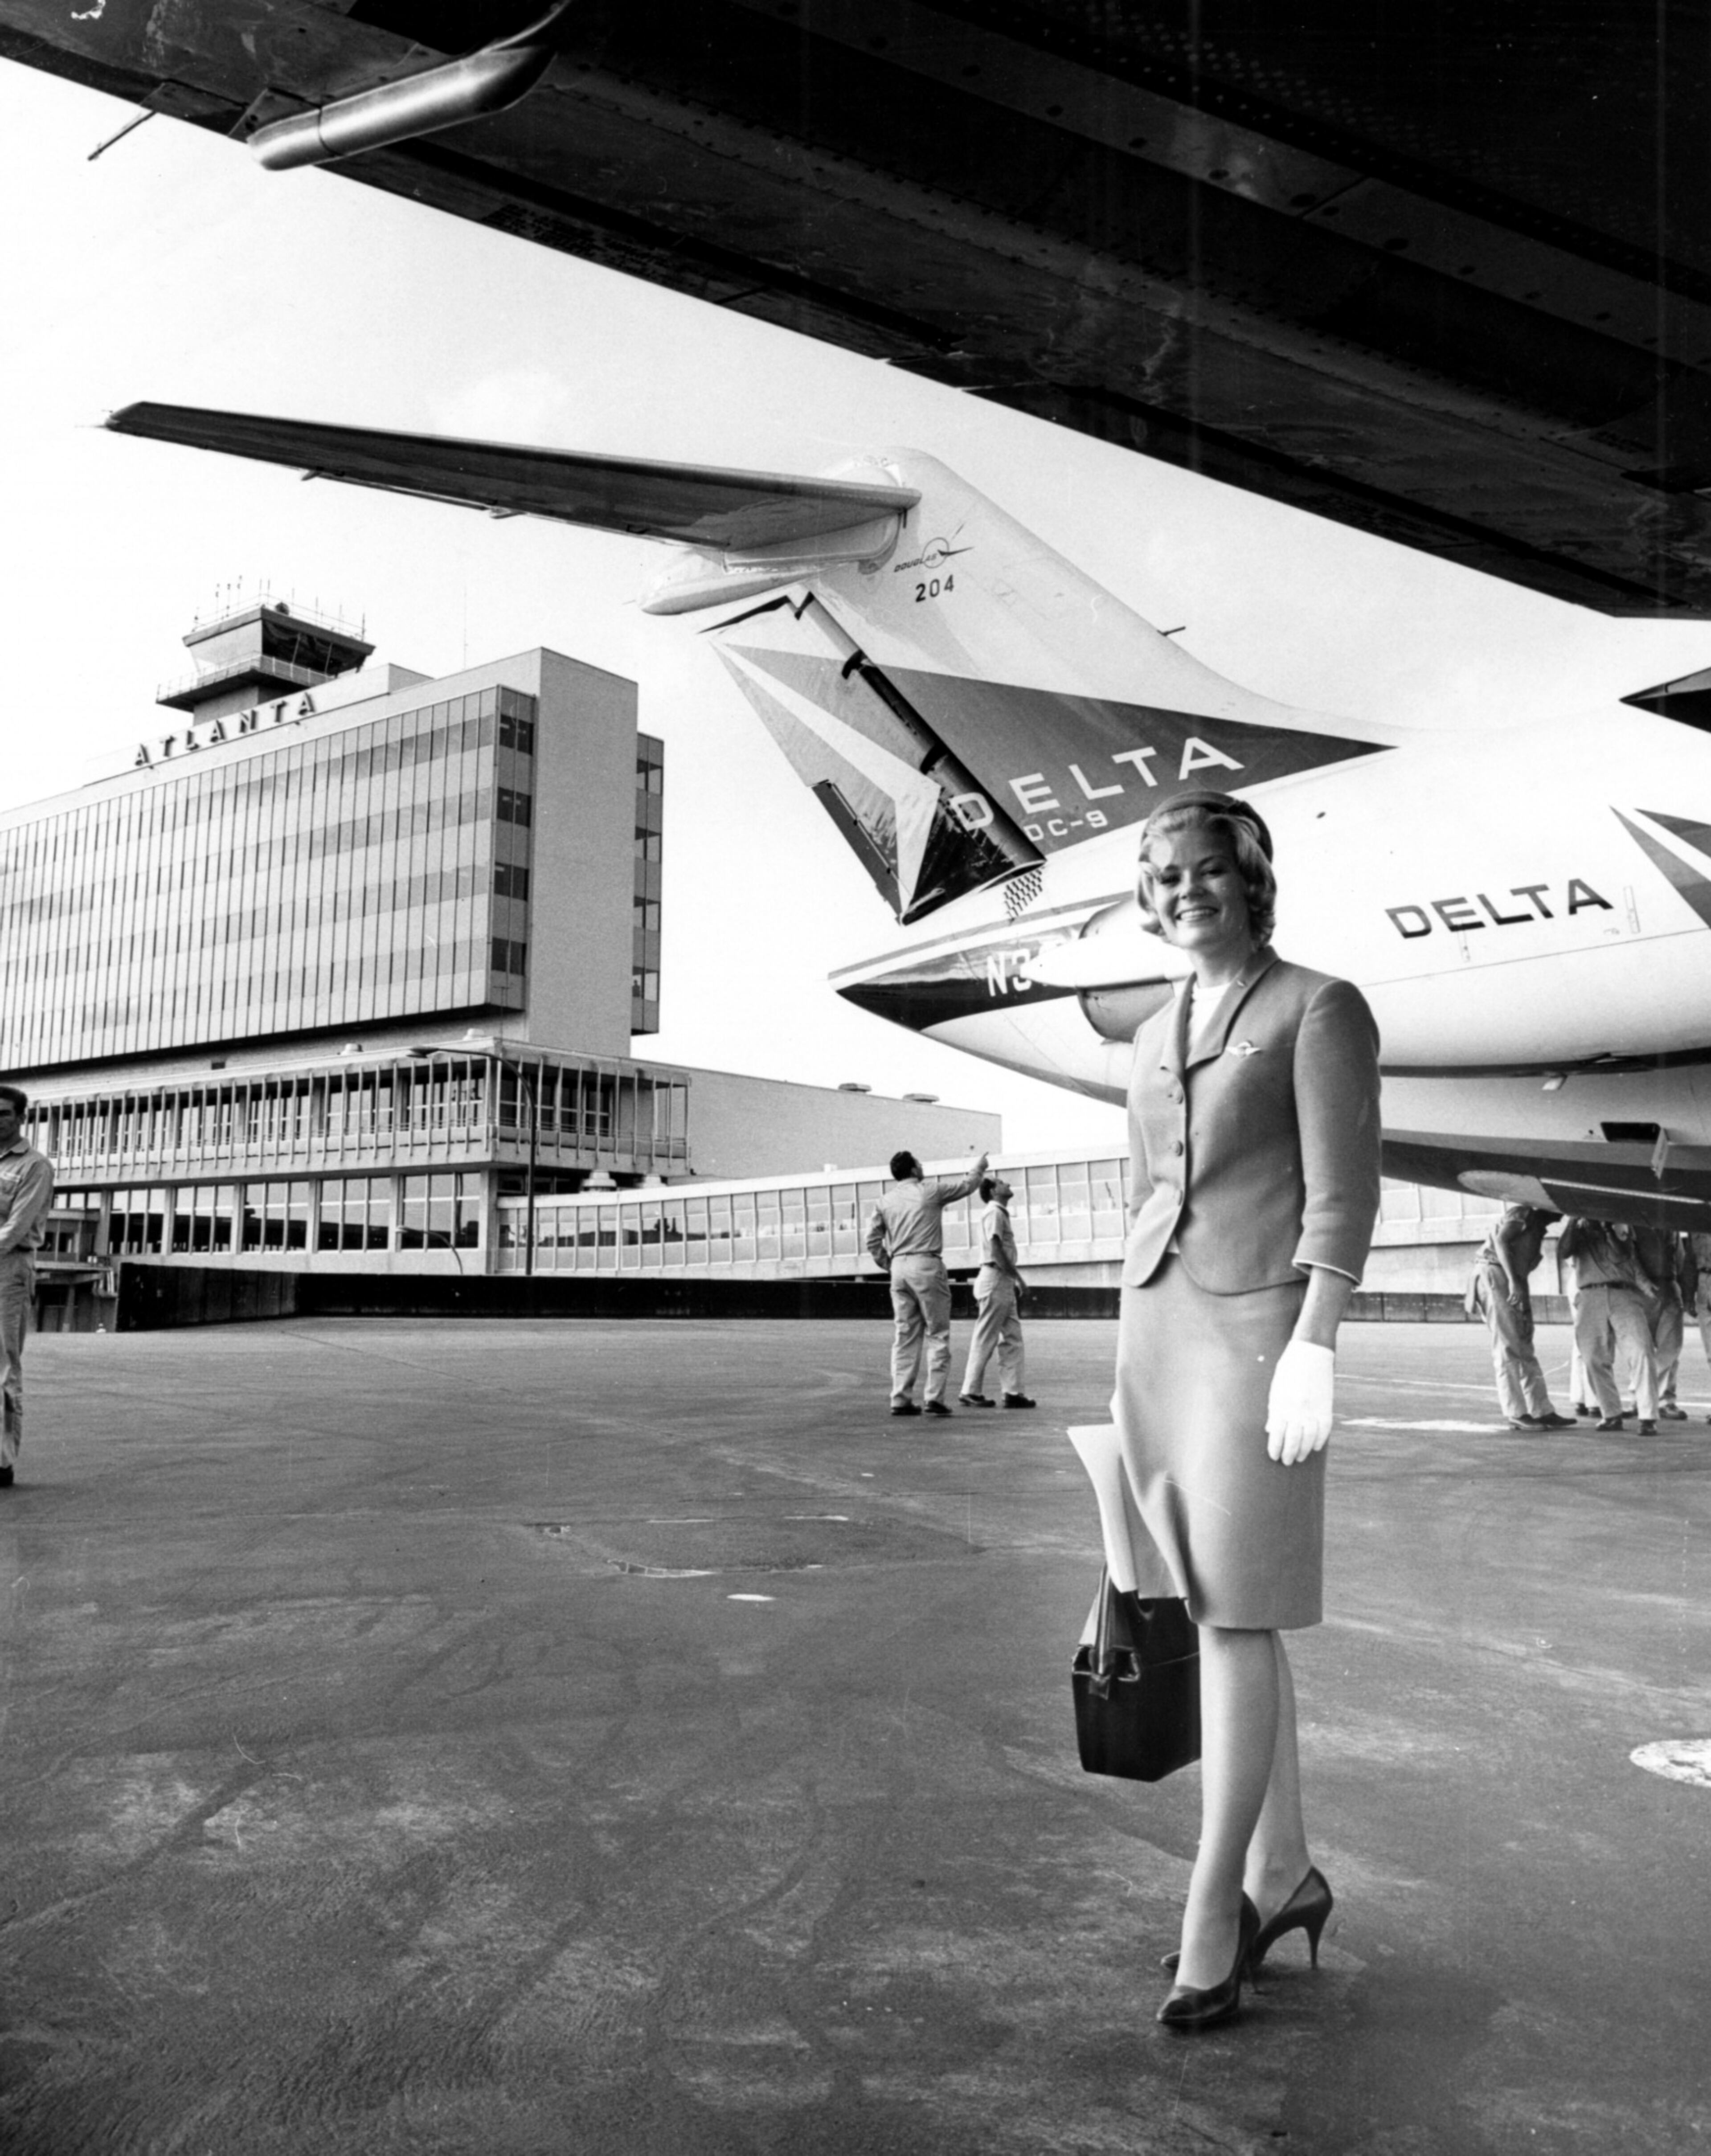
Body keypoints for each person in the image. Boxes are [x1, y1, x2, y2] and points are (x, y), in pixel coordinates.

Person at [1111, 790, 1381, 2033]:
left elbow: (1342, 1193)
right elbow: (1151, 1184)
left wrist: (1314, 1344)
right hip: (1159, 1322)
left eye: (1208, 867)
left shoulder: (1316, 1005)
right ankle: (1286, 1869)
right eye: (1163, 874)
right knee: (1221, 1606)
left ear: (1256, 875)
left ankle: (1214, 1907)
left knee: (1234, 1612)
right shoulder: (1153, 1022)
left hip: (1262, 1330)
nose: (1186, 889)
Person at [865, 1146, 988, 1416]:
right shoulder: (931, 1191)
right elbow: (968, 1186)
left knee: (905, 1336)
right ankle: (934, 1397)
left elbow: (873, 1241)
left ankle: (900, 1398)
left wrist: (890, 1264)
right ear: (913, 1169)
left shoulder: (884, 1202)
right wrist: (979, 1166)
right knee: (938, 1332)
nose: (922, 1167)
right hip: (927, 1263)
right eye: (919, 1164)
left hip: (899, 1267)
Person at [1467, 1204, 1573, 1431]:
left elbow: (1522, 1269)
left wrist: (1522, 1299)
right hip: (1495, 1273)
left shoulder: (1537, 1230)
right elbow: (1501, 1241)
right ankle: (1516, 1412)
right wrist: (1513, 1282)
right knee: (1507, 1346)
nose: (1563, 1213)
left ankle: (1542, 1410)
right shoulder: (1522, 1214)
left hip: (1510, 1278)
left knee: (1524, 1345)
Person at [0, 1083, 55, 1489]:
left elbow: (16, 1228)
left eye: (3, 1113)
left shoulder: (34, 1166)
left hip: (10, 1269)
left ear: (21, 1118)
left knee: (3, 1365)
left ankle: (1, 1461)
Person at [1558, 1215, 1658, 1433]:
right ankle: (1611, 1415)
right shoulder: (1578, 1228)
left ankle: (1648, 1417)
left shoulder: (1620, 1224)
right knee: (1593, 1357)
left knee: (1641, 1351)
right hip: (1589, 1293)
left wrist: (1607, 1229)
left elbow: (1624, 1255)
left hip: (1623, 1293)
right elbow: (1564, 1251)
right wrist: (1574, 1222)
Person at [958, 1174, 1035, 1409]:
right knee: (986, 1338)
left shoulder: (998, 1213)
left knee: (1013, 1339)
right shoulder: (994, 1213)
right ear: (993, 1191)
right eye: (1002, 1183)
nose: (1008, 1184)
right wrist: (1018, 1279)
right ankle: (970, 1390)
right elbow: (996, 1250)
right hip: (995, 1279)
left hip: (1000, 1280)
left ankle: (1013, 1392)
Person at [1631, 1226, 1689, 1420]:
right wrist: (1644, 1284)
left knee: (1671, 1347)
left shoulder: (1672, 1229)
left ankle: (1661, 1399)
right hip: (1642, 1288)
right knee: (1641, 1348)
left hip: (1670, 1286)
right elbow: (1630, 1258)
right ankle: (1643, 1397)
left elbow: (1681, 1260)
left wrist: (1683, 1290)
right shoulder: (1634, 1225)